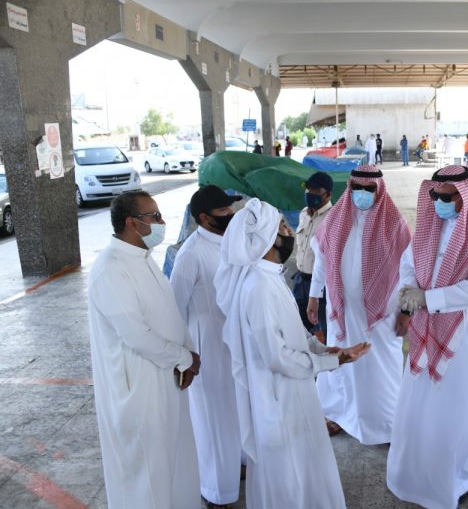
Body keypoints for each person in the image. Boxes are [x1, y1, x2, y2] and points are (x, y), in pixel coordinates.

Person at [214, 198, 371, 509]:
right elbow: (277, 356)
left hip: (293, 387)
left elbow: (293, 331)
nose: (290, 232)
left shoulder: (270, 276)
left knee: (303, 463)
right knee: (287, 472)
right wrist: (332, 360)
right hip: (277, 396)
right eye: (283, 228)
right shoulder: (258, 287)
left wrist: (322, 348)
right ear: (267, 239)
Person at [387, 165, 468, 508]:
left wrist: (429, 299)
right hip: (426, 333)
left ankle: (455, 479)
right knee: (417, 411)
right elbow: (409, 263)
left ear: (466, 195)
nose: (439, 203)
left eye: (447, 197)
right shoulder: (430, 225)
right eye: (435, 196)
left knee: (460, 415)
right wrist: (408, 297)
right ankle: (412, 478)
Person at [88, 191, 200, 509]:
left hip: (166, 378)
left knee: (173, 464)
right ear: (132, 223)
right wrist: (184, 357)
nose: (162, 222)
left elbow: (169, 313)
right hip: (138, 388)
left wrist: (187, 353)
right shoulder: (111, 269)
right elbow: (135, 335)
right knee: (147, 477)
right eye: (155, 216)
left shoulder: (143, 259)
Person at [308, 164, 412, 444]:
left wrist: (406, 311)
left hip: (380, 318)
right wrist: (314, 295)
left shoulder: (395, 225)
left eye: (369, 189)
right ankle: (338, 415)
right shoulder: (335, 219)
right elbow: (321, 260)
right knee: (340, 363)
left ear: (379, 191)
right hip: (339, 313)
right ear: (350, 188)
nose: (363, 193)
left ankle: (385, 425)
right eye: (358, 188)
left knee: (377, 369)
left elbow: (410, 273)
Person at [170, 185, 242, 509]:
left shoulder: (231, 242)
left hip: (233, 341)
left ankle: (235, 465)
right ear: (204, 217)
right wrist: (184, 354)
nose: (230, 214)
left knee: (235, 408)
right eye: (223, 211)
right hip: (206, 345)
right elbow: (175, 306)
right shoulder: (191, 253)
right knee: (213, 418)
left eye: (230, 208)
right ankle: (216, 491)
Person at [293, 172, 334, 336]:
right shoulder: (304, 213)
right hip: (299, 281)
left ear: (328, 194)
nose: (310, 194)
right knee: (298, 329)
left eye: (316, 191)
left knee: (323, 332)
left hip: (321, 287)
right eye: (308, 190)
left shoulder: (333, 218)